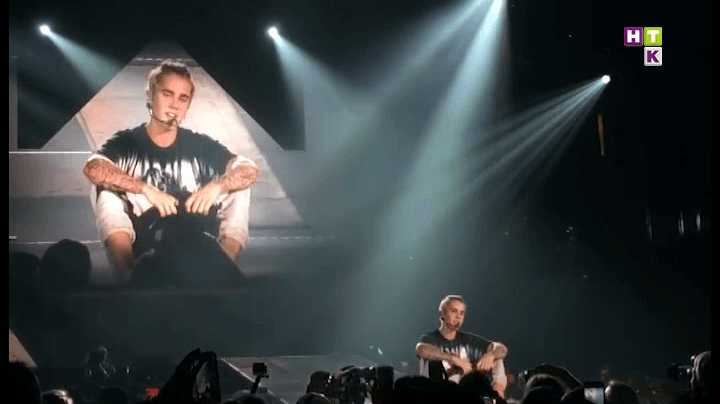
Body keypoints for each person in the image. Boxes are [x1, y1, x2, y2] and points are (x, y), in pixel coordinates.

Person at [82, 60, 259, 284]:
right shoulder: (127, 143)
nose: (174, 105)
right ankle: (126, 275)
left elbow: (249, 169)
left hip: (194, 224)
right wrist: (146, 189)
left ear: (188, 105)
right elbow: (93, 168)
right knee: (105, 188)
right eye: (167, 94)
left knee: (239, 185)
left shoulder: (199, 145)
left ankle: (224, 269)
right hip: (146, 229)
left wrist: (217, 186)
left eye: (182, 98)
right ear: (150, 95)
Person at [416, 294, 509, 398]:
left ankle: (497, 398)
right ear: (443, 313)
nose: (458, 316)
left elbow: (501, 348)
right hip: (440, 391)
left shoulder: (468, 340)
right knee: (433, 361)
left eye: (461, 313)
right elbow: (421, 350)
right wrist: (453, 359)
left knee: (497, 358)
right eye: (454, 311)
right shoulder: (431, 338)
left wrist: (491, 355)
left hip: (464, 390)